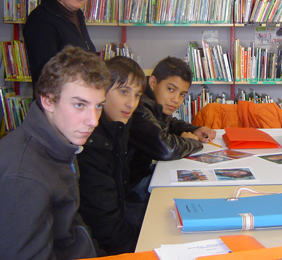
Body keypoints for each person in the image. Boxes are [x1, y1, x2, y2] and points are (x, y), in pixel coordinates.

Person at [0, 46, 110, 259]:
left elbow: (72, 226)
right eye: (80, 105)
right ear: (48, 100)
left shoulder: (61, 142)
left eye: (98, 106)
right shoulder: (23, 176)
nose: (94, 121)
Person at [77, 56, 147, 255]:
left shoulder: (117, 126)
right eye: (124, 91)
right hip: (102, 241)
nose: (131, 103)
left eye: (137, 95)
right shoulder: (90, 144)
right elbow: (105, 228)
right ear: (101, 91)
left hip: (118, 216)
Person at [128, 56, 216, 198]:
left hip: (145, 172)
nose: (176, 100)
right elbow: (167, 149)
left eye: (182, 94)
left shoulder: (154, 103)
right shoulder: (139, 108)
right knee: (194, 189)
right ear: (153, 83)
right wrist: (191, 141)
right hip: (133, 185)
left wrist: (194, 129)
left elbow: (170, 123)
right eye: (170, 89)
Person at [23, 0, 96, 90]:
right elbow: (47, 74)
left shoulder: (76, 14)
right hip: (57, 101)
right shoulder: (40, 20)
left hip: (81, 95)